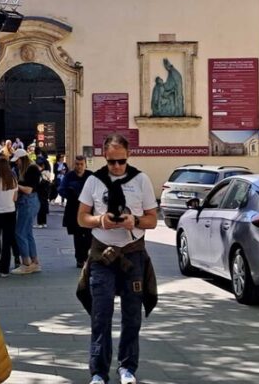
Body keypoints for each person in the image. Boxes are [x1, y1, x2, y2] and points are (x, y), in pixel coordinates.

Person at [77, 134, 158, 384]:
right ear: (105, 157)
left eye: (121, 161)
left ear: (128, 156)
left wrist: (135, 220)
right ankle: (98, 372)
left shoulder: (141, 180)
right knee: (101, 315)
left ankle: (127, 368)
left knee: (132, 315)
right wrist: (100, 220)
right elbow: (81, 217)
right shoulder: (94, 181)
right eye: (111, 161)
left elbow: (152, 219)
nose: (116, 167)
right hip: (102, 255)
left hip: (132, 253)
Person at [11, 149, 42, 275]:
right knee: (27, 233)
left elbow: (28, 190)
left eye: (17, 160)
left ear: (22, 159)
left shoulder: (31, 169)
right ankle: (34, 262)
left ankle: (26, 263)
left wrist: (15, 185)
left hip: (28, 202)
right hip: (31, 202)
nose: (16, 163)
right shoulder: (32, 168)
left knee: (20, 233)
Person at [60, 155, 93, 268]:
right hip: (74, 209)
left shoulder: (91, 176)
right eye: (77, 164)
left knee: (89, 235)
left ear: (85, 165)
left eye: (81, 164)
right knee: (77, 235)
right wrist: (71, 194)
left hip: (89, 209)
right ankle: (79, 259)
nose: (79, 166)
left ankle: (86, 256)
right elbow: (61, 189)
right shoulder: (69, 176)